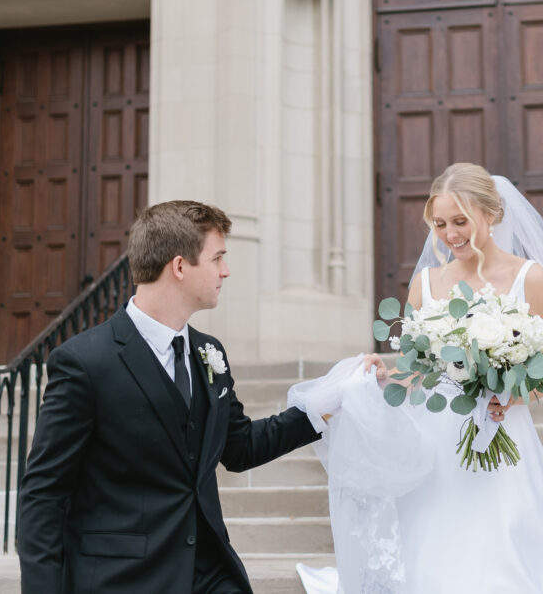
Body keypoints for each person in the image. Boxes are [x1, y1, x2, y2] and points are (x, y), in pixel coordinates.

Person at [291, 163, 543, 593]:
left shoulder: (529, 277)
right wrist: (385, 374)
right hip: (438, 433)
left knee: (506, 542)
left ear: (491, 214)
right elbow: (416, 370)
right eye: (441, 223)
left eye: (460, 221)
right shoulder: (425, 284)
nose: (450, 234)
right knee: (436, 541)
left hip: (504, 430)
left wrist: (515, 394)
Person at [17, 201, 322, 594]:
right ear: (179, 267)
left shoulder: (209, 352)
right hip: (122, 580)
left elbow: (240, 447)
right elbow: (44, 493)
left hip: (209, 575)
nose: (225, 271)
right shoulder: (85, 363)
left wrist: (322, 409)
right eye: (217, 259)